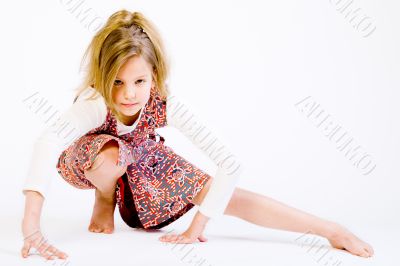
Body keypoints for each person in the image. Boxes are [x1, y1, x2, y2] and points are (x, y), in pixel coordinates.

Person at [20, 9, 374, 261]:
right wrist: (31, 225)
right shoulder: (95, 102)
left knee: (224, 195)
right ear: (101, 77)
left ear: (155, 76)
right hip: (90, 159)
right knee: (111, 152)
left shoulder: (166, 103)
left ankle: (331, 229)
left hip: (144, 161)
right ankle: (104, 198)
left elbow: (230, 163)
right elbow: (46, 141)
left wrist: (199, 222)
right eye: (117, 82)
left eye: (139, 81)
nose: (128, 94)